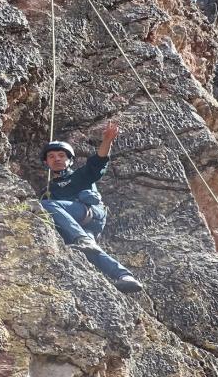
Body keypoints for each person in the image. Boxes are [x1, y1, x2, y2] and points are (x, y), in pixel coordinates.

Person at [40, 122, 143, 293]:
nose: (57, 159)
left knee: (45, 205)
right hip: (80, 224)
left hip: (89, 213)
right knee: (89, 251)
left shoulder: (81, 175)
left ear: (70, 160)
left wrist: (107, 140)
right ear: (46, 162)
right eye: (51, 156)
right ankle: (124, 276)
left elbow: (99, 161)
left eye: (61, 155)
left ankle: (82, 239)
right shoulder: (49, 190)